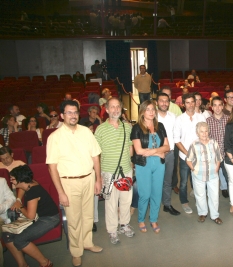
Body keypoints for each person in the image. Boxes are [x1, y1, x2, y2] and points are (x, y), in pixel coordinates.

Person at [46, 100, 103, 267]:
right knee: (73, 219)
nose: (73, 115)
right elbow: (52, 168)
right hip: (69, 183)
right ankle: (76, 251)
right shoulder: (54, 137)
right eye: (69, 113)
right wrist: (61, 192)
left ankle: (87, 243)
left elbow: (95, 157)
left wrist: (98, 179)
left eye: (75, 112)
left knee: (88, 215)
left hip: (88, 178)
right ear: (62, 115)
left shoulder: (86, 132)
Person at [2, 165, 59, 267]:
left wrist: (20, 206)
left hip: (49, 219)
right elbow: (22, 189)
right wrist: (18, 199)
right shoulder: (30, 183)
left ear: (20, 179)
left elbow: (30, 216)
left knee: (20, 240)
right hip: (40, 216)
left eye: (13, 179)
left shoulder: (33, 192)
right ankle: (22, 264)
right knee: (7, 235)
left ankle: (45, 263)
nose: (11, 181)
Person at [95, 97, 134, 244]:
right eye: (112, 107)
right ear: (106, 109)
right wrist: (98, 176)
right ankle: (112, 230)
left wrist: (130, 162)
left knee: (125, 200)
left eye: (118, 106)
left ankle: (124, 224)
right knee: (111, 203)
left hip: (126, 171)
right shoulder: (100, 130)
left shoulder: (127, 127)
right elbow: (96, 155)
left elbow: (130, 146)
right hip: (108, 172)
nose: (116, 109)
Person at [131, 100, 169, 234]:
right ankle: (141, 219)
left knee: (157, 193)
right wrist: (159, 152)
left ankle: (153, 219)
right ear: (142, 112)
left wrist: (153, 152)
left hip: (159, 165)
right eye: (148, 109)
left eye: (153, 109)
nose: (151, 112)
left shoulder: (160, 126)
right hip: (143, 165)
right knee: (145, 194)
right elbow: (139, 151)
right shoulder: (136, 128)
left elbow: (168, 147)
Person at [173, 93, 206, 214]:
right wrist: (188, 154)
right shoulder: (179, 119)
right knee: (183, 182)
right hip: (184, 156)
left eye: (192, 102)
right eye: (187, 102)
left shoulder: (201, 117)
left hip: (199, 156)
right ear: (183, 104)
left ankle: (200, 200)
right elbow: (176, 140)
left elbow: (205, 136)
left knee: (198, 180)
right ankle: (184, 202)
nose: (191, 105)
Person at [186, 122, 223, 225]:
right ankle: (202, 213)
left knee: (214, 195)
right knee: (200, 195)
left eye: (206, 131)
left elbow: (219, 157)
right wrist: (194, 169)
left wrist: (217, 167)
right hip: (198, 174)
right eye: (201, 131)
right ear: (197, 133)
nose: (204, 133)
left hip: (213, 174)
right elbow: (188, 159)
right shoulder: (194, 144)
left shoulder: (214, 143)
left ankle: (215, 215)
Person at [156, 93, 180, 216]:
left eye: (166, 101)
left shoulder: (173, 117)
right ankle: (153, 206)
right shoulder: (151, 116)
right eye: (161, 101)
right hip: (155, 154)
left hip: (170, 153)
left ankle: (167, 204)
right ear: (157, 102)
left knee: (168, 180)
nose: (164, 103)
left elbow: (177, 134)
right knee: (154, 181)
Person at [207, 97, 230, 198]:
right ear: (212, 107)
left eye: (219, 105)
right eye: (215, 105)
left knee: (228, 175)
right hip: (214, 154)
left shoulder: (229, 119)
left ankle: (231, 193)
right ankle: (215, 194)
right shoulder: (208, 121)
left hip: (227, 153)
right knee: (213, 176)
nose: (217, 108)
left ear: (223, 106)